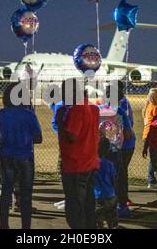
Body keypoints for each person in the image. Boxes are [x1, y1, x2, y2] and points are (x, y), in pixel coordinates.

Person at [0, 82, 42, 229]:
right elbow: (38, 138)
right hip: (25, 157)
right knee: (26, 195)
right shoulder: (29, 115)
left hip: (7, 157)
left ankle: (4, 225)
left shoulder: (2, 114)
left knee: (6, 193)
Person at [57, 78, 99, 229]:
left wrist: (61, 122)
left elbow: (72, 136)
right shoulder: (93, 108)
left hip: (75, 164)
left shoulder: (76, 109)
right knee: (88, 203)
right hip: (90, 161)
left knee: (74, 206)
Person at [104, 81, 134, 217]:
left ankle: (107, 204)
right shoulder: (120, 111)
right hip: (117, 148)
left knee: (106, 177)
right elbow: (128, 133)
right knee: (120, 177)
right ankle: (121, 205)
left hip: (104, 149)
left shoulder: (100, 109)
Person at [94, 136, 119, 229]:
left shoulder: (92, 163)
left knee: (97, 219)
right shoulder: (110, 164)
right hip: (110, 194)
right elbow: (114, 179)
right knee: (111, 217)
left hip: (97, 196)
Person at [142, 88, 157, 188]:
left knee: (153, 157)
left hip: (147, 134)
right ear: (155, 97)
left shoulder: (148, 106)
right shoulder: (154, 108)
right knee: (154, 158)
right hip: (152, 135)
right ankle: (151, 180)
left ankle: (152, 179)